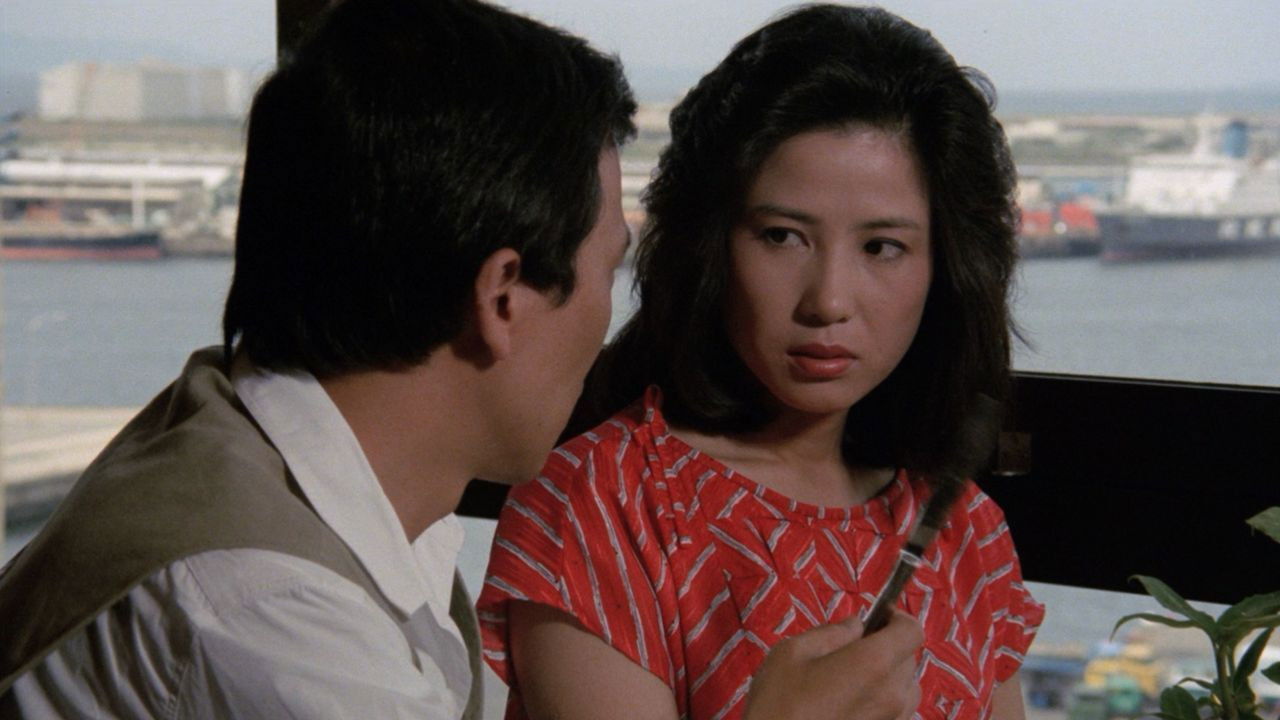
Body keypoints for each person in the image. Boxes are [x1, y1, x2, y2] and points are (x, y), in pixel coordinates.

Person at [0, 0, 636, 716]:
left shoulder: (249, 430)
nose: (607, 320)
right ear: (503, 298)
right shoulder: (272, 613)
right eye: (609, 270)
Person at [477, 5, 1046, 720]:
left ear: (946, 270)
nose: (828, 301)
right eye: (781, 236)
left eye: (882, 248)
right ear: (711, 245)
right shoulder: (602, 501)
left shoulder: (965, 530)